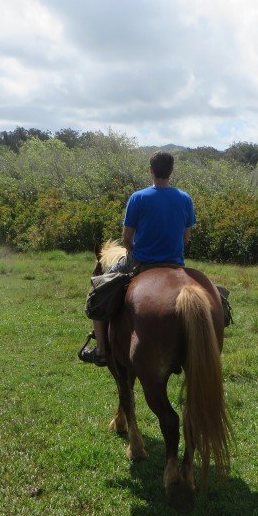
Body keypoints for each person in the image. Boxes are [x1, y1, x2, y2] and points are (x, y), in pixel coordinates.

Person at [79, 151, 196, 366]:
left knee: (98, 289)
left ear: (151, 170)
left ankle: (102, 351)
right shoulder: (185, 198)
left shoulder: (138, 197)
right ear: (171, 171)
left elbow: (126, 238)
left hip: (142, 262)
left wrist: (133, 250)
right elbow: (186, 238)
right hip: (175, 264)